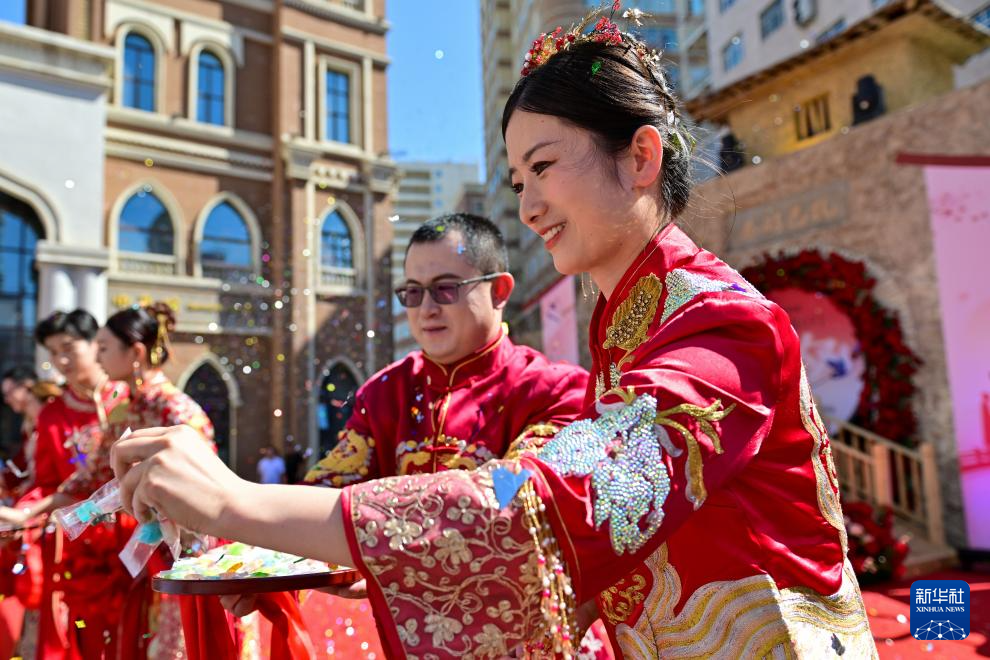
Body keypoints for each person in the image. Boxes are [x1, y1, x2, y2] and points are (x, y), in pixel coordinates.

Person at [110, 5, 877, 658]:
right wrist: (288, 548)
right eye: (517, 181)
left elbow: (544, 500)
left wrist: (241, 504)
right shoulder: (627, 334)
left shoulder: (718, 324)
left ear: (641, 155)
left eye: (543, 167)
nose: (529, 205)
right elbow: (517, 491)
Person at [215, 214, 597, 657]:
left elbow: (508, 501)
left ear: (499, 290)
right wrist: (265, 561)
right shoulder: (385, 393)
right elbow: (329, 489)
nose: (425, 308)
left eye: (446, 288)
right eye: (412, 292)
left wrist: (236, 505)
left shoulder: (554, 390)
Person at [0, 310, 129, 660]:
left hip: (133, 536)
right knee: (76, 634)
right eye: (54, 352)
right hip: (76, 543)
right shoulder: (53, 414)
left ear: (95, 344)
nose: (61, 360)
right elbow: (47, 483)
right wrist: (20, 512)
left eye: (69, 348)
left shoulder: (129, 398)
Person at [90, 303, 215, 660]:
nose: (97, 357)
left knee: (176, 643)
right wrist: (48, 510)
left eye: (103, 348)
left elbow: (203, 485)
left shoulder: (176, 409)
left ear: (136, 352)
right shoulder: (122, 408)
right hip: (141, 552)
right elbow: (96, 473)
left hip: (183, 552)